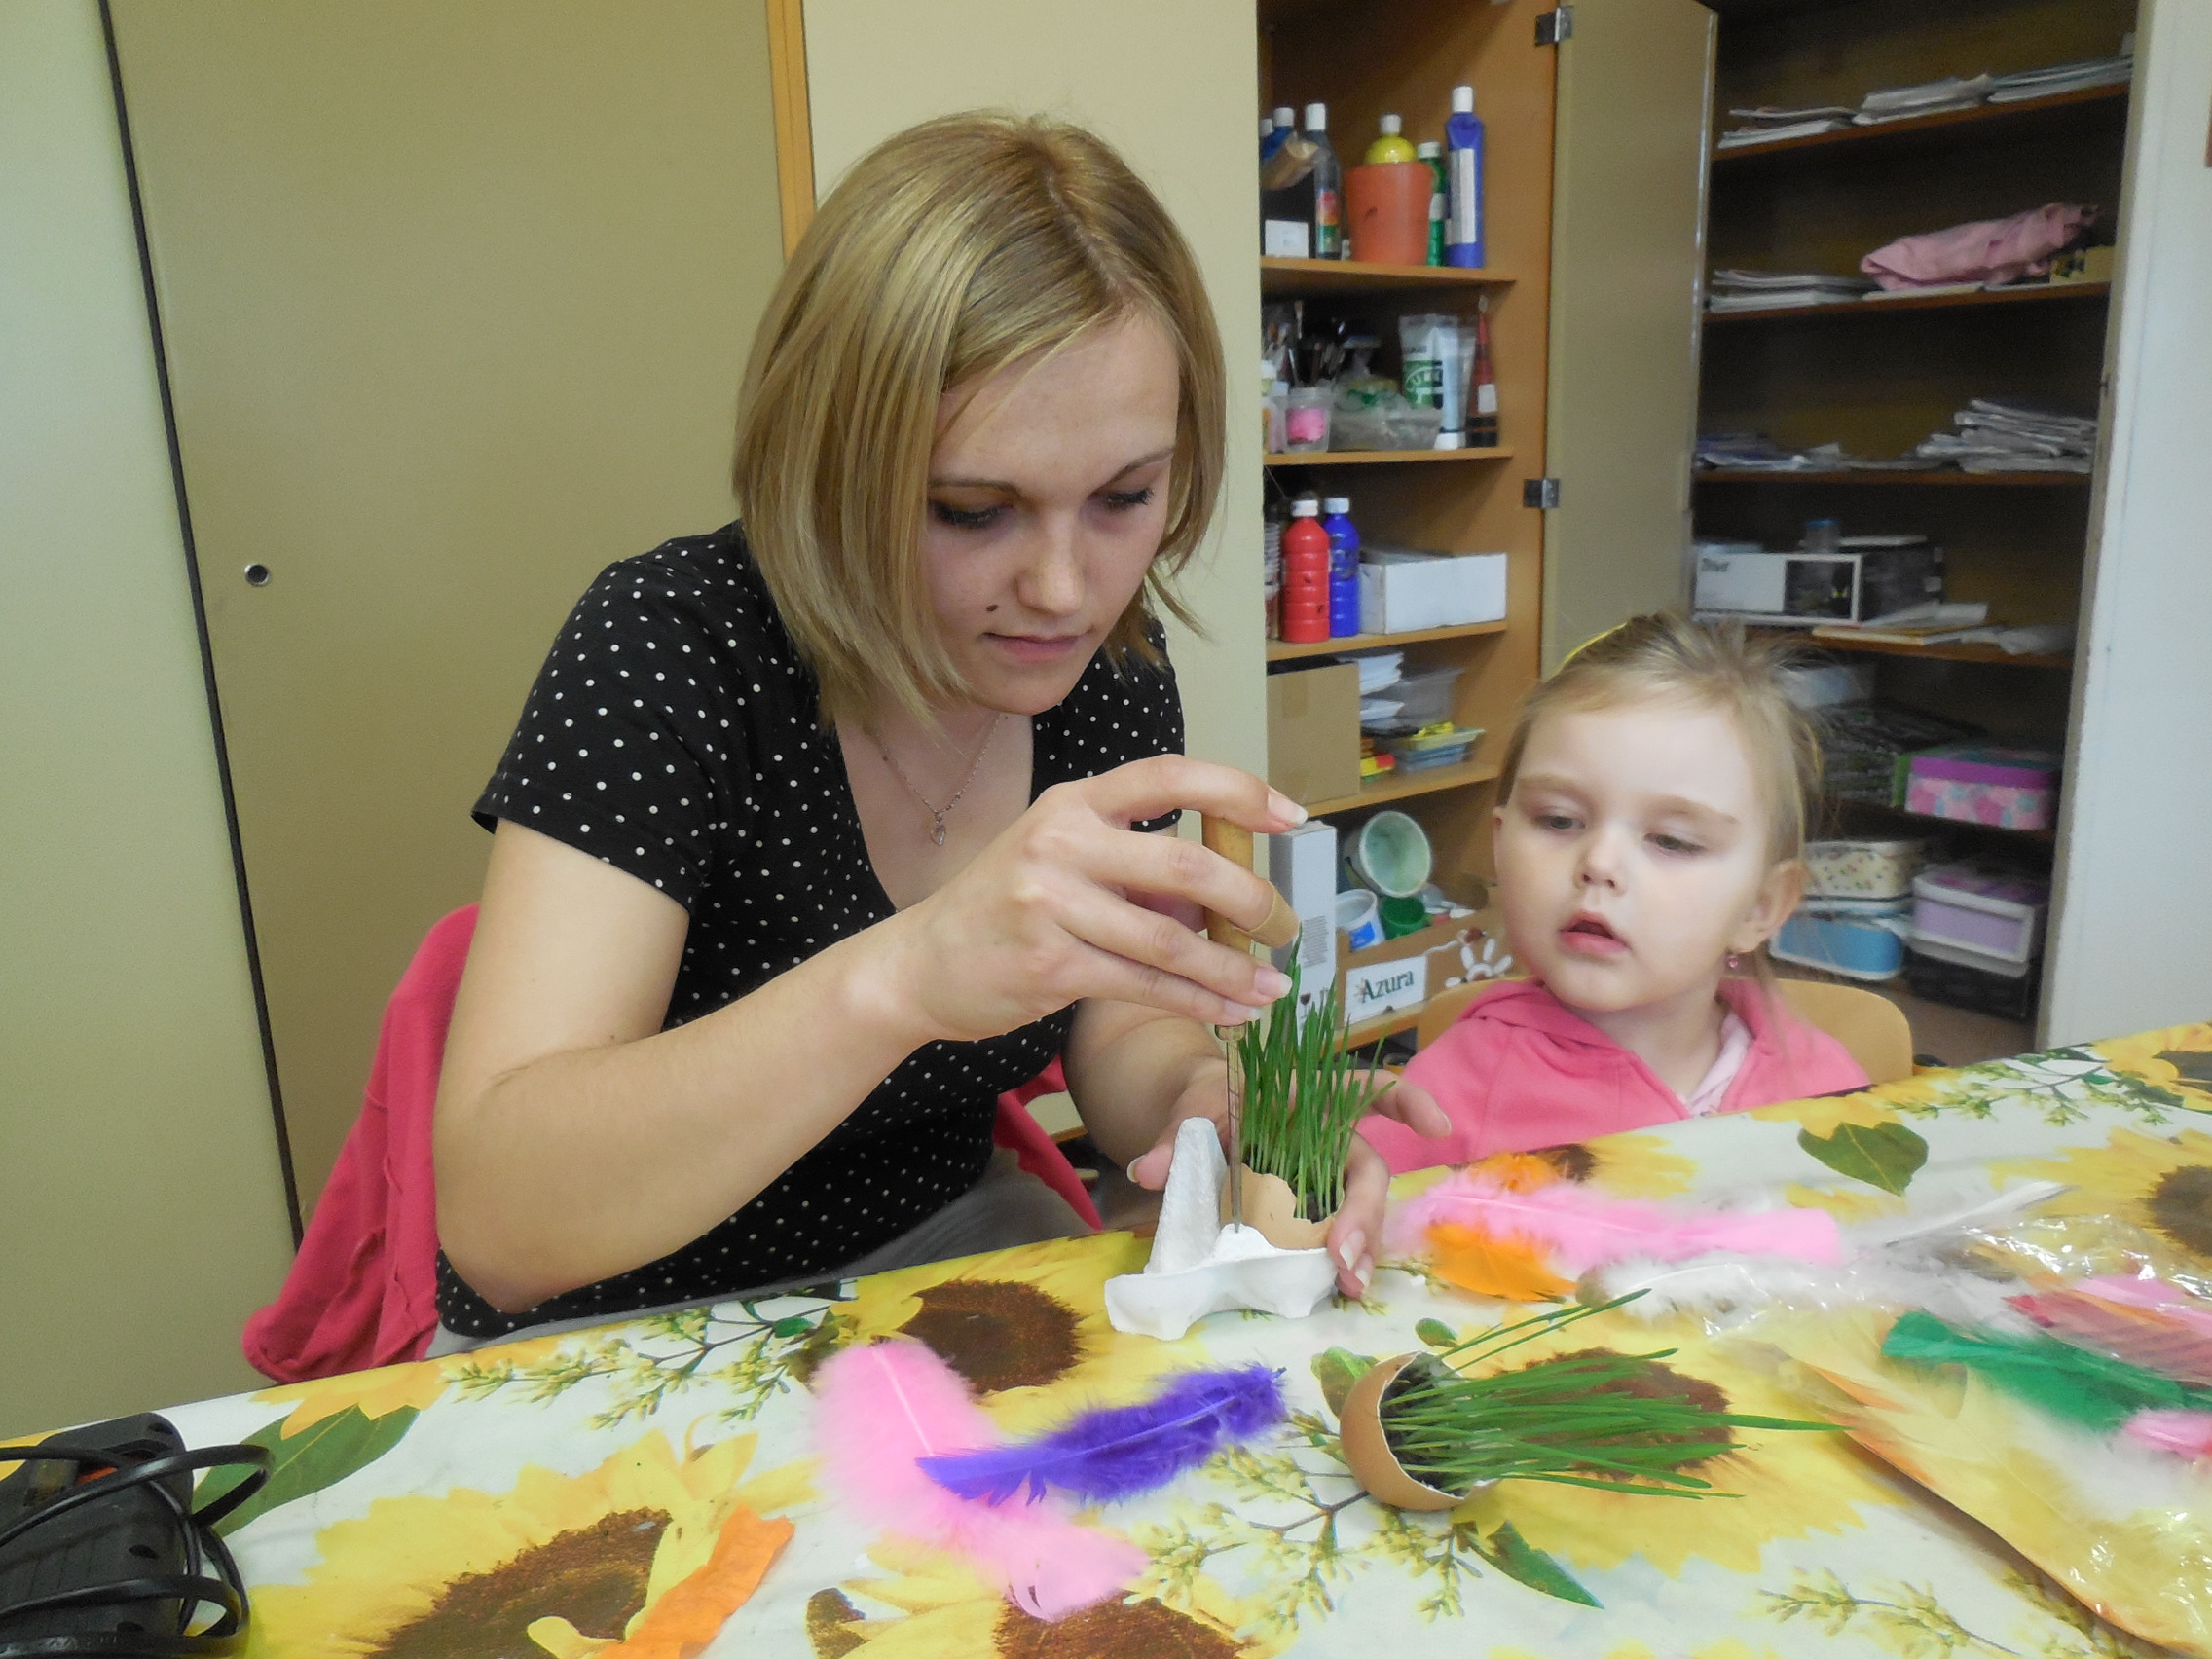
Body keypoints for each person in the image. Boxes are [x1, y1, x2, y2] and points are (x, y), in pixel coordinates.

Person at [430, 112, 1448, 1349]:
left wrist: (1201, 1103)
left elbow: (1112, 1018)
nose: (1065, 591)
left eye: (1126, 496)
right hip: (618, 1316)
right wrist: (907, 975)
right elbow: (501, 1221)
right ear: (829, 466)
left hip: (933, 1249)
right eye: (971, 510)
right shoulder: (672, 649)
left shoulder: (1108, 675)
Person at [1362, 614, 1868, 1171]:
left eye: (1671, 841)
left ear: (1761, 907)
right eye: (1558, 820)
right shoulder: (1446, 1097)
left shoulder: (1823, 1089)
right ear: (1501, 846)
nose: (1599, 864)